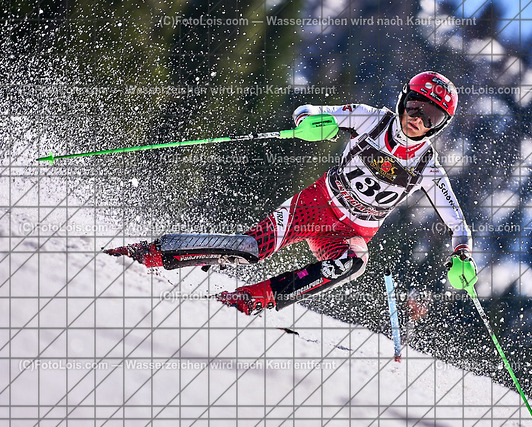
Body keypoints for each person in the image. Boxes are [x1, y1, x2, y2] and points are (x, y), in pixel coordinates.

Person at [105, 71, 476, 315]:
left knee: (355, 262)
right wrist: (312, 123)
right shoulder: (370, 119)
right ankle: (152, 251)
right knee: (250, 249)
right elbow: (307, 110)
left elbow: (458, 223)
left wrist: (462, 256)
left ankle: (254, 297)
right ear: (403, 99)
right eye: (415, 105)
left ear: (439, 126)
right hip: (315, 206)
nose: (417, 119)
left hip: (349, 234)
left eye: (431, 116)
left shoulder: (428, 167)